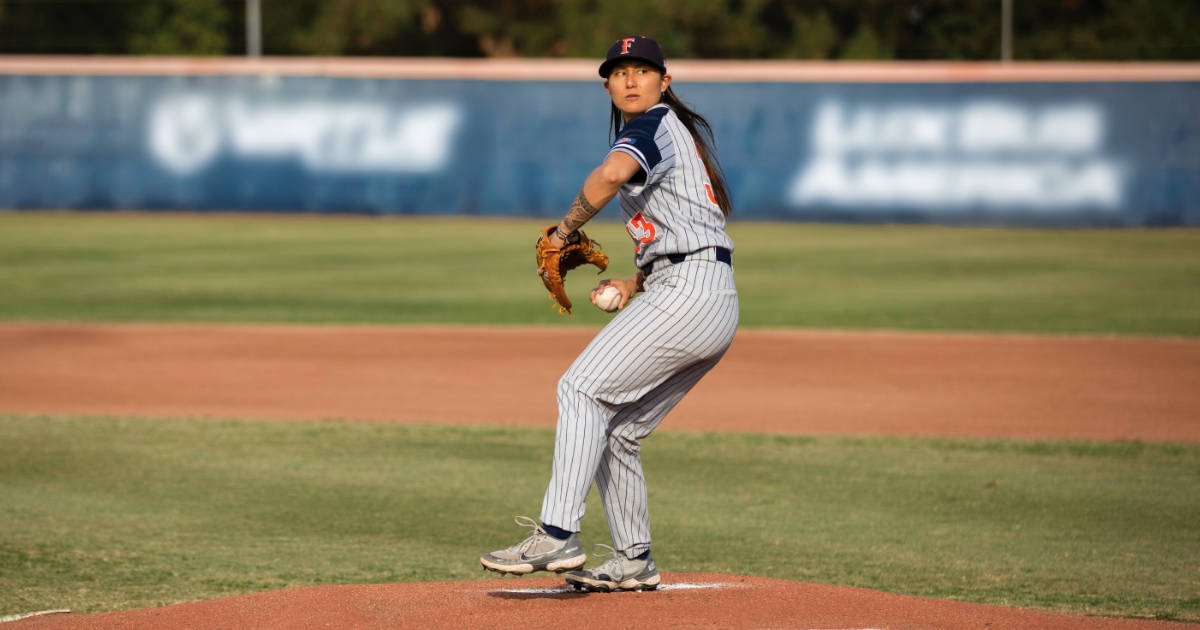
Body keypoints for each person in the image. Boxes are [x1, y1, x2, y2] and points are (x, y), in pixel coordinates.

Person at [480, 36, 738, 593]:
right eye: (619, 72)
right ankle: (633, 559)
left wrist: (564, 229)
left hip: (691, 290)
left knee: (579, 390)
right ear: (606, 84)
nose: (630, 80)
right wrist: (635, 280)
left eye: (642, 70)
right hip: (703, 293)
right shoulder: (667, 131)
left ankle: (556, 534)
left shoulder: (650, 126)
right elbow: (683, 226)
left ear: (663, 82)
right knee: (616, 429)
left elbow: (610, 175)